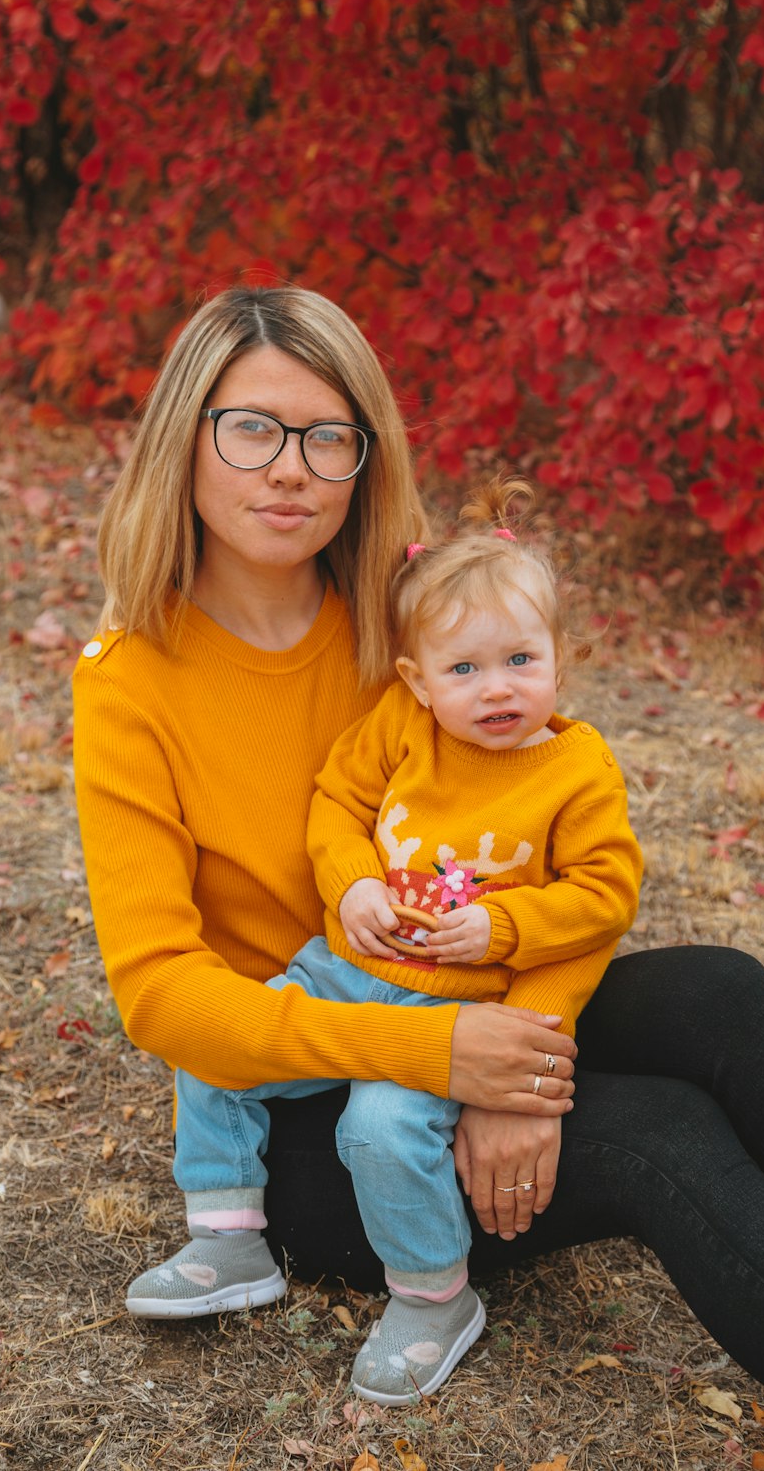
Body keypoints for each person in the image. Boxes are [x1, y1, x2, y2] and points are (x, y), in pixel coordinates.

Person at [72, 284, 764, 1464]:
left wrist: (523, 1061)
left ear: (363, 458)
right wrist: (448, 1059)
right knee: (661, 1137)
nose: (289, 468)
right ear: (181, 439)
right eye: (250, 428)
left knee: (721, 991)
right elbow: (158, 995)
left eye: (327, 436)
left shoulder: (404, 628)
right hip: (323, 1119)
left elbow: (559, 849)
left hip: (464, 1003)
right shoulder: (129, 681)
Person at [116, 475, 643, 1405]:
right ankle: (228, 1235)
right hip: (346, 969)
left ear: (562, 658)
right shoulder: (402, 728)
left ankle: (434, 1295)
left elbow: (606, 894)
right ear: (417, 679)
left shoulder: (577, 769)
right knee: (216, 1047)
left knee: (383, 1128)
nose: (496, 690)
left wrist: (506, 924)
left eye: (522, 659)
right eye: (465, 670)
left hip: (454, 1001)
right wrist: (353, 881)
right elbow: (338, 804)